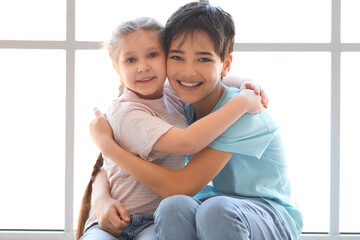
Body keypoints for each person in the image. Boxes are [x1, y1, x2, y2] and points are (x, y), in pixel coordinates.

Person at [91, 2, 304, 240]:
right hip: (215, 206)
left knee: (211, 208)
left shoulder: (241, 113)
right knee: (173, 206)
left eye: (202, 59)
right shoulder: (180, 100)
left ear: (225, 63)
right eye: (177, 58)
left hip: (269, 214)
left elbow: (179, 185)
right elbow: (110, 168)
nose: (188, 72)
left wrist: (106, 145)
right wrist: (101, 197)